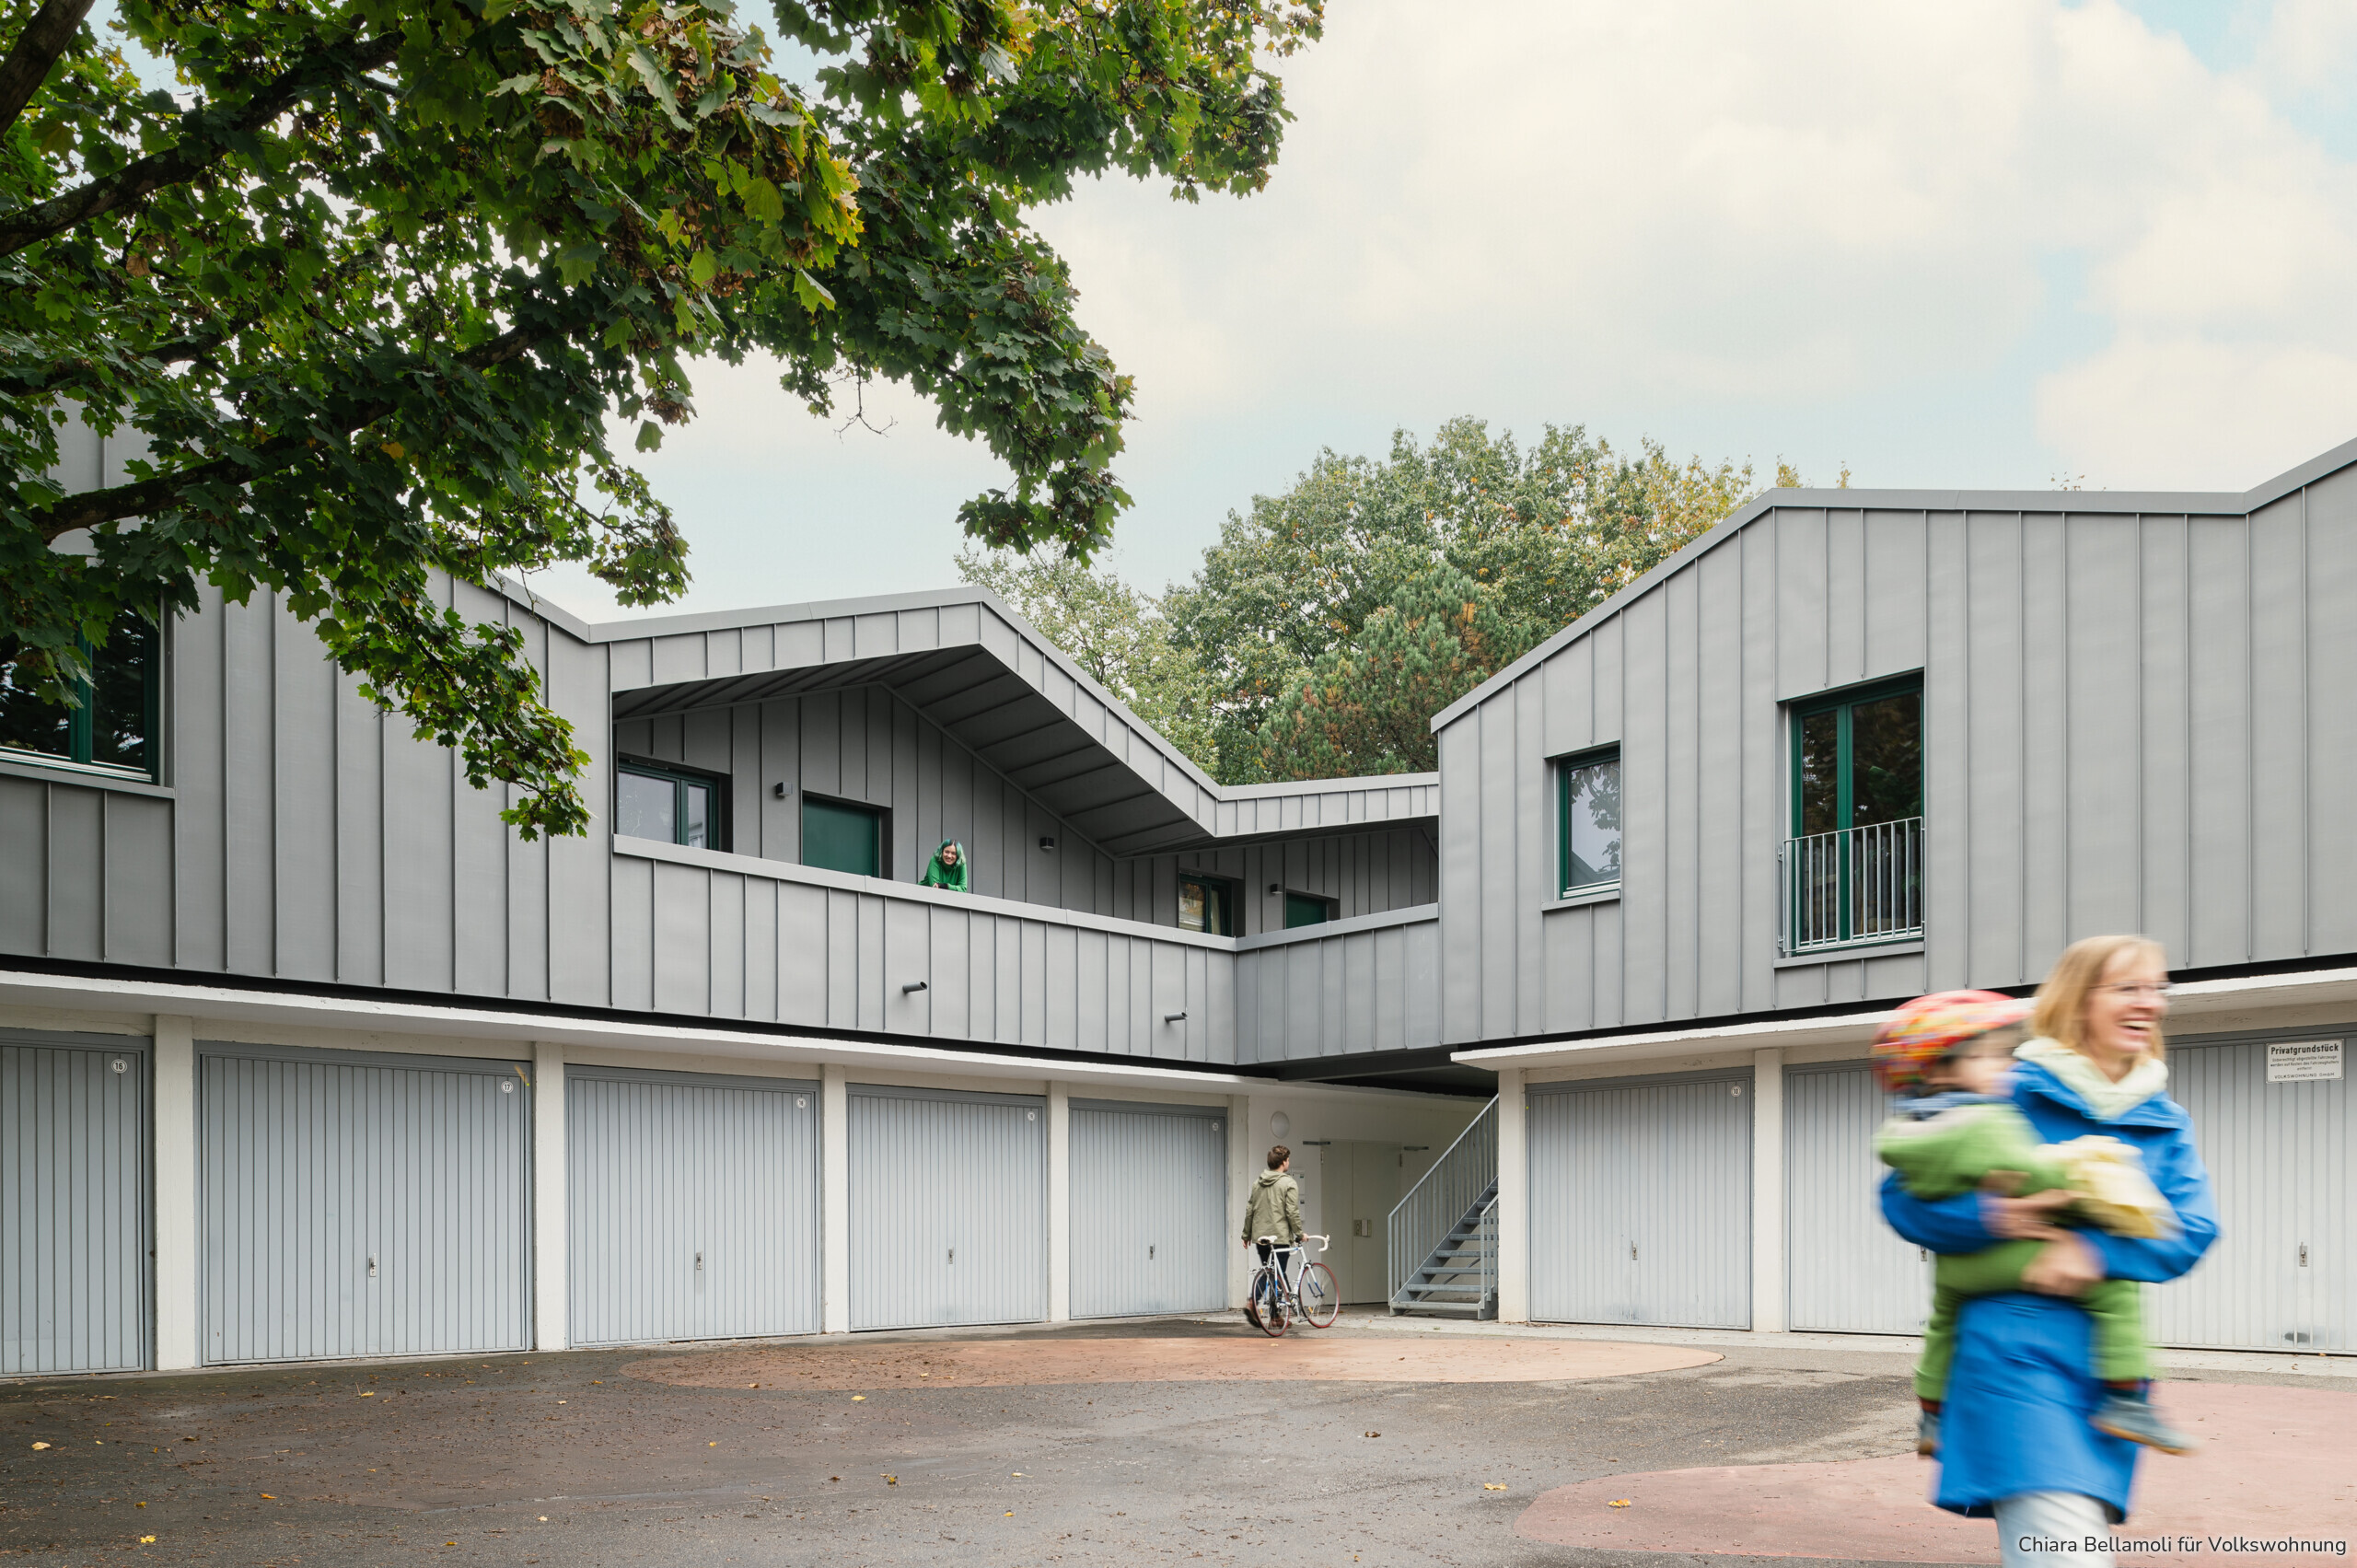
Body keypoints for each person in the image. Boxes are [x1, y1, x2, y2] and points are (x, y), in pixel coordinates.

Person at [1881, 935, 2219, 1568]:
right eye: (2128, 988)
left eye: (2158, 989)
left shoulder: (2166, 1119)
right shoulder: (2004, 1086)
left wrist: (2091, 1252)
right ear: (2078, 998)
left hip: (2109, 1373)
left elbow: (2193, 1230)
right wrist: (1992, 1215)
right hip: (2010, 1357)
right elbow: (1901, 1198)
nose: (2151, 1003)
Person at [1870, 990, 2191, 1460]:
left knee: (1942, 1327)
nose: (2006, 1065)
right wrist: (2083, 1178)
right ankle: (2126, 1398)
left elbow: (1904, 1194)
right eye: (1990, 1056)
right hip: (2009, 1256)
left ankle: (1932, 1416)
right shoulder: (1986, 1121)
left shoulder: (1907, 1131)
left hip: (1956, 1269)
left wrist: (1976, 1212)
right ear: (1940, 1069)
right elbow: (2032, 1173)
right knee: (2116, 1291)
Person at [1240, 1144, 1305, 1308]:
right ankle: (1253, 1302)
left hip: (1261, 1237)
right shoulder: (1289, 1183)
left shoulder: (1257, 1183)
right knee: (1277, 1274)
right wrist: (1299, 1233)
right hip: (1279, 1237)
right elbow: (1292, 1211)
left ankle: (1275, 1317)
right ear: (1283, 1162)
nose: (1288, 1163)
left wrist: (1246, 1234)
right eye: (1288, 1160)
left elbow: (1250, 1210)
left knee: (1272, 1273)